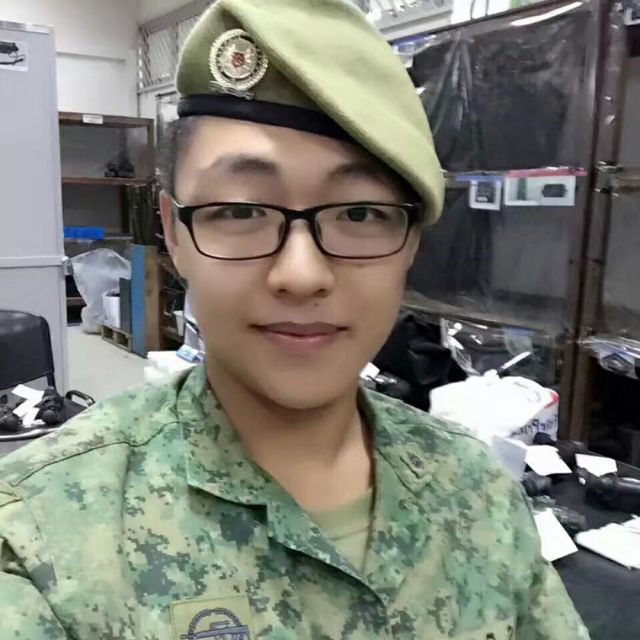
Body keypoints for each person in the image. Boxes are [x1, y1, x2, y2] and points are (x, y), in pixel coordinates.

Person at [0, 1, 589, 638]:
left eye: (359, 214)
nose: (302, 274)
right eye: (241, 211)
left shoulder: (477, 489)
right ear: (173, 233)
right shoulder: (41, 532)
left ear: (413, 243)